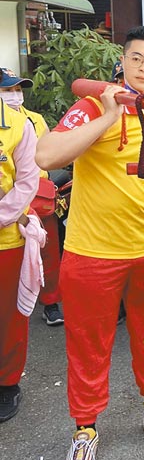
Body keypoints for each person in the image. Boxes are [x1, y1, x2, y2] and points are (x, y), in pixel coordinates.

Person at [36, 27, 144, 460]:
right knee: (87, 345)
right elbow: (46, 155)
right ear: (121, 62)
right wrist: (107, 116)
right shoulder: (90, 107)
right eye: (136, 58)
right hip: (90, 253)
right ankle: (84, 428)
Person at [1, 68, 66, 326]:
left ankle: (50, 303)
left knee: (47, 251)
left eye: (17, 89)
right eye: (7, 90)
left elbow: (49, 152)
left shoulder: (35, 120)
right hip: (11, 198)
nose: (15, 95)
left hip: (38, 192)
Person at [0, 69, 40, 421]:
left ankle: (7, 382)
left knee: (9, 317)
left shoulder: (18, 125)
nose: (14, 95)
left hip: (6, 239)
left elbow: (27, 182)